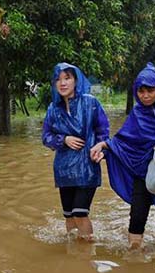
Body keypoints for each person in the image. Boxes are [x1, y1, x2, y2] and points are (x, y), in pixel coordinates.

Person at [90, 63, 155, 248]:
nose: (145, 96)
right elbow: (124, 140)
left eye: (150, 91)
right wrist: (104, 144)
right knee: (137, 216)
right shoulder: (137, 113)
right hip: (142, 171)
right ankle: (134, 257)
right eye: (141, 91)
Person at [42, 63, 110, 241]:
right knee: (69, 215)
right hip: (64, 170)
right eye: (58, 79)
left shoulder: (90, 103)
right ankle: (73, 252)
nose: (62, 83)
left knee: (80, 213)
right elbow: (46, 137)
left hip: (87, 167)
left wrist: (100, 148)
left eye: (67, 78)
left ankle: (87, 253)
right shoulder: (52, 109)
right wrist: (63, 140)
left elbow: (103, 131)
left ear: (76, 81)